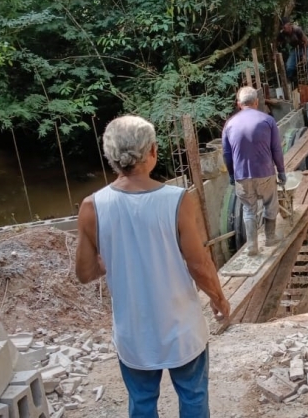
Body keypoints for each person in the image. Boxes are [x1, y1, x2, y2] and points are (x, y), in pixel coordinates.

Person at [75, 115, 230, 418]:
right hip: (182, 329)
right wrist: (219, 298)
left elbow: (85, 273)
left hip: (134, 334)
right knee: (193, 395)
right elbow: (199, 264)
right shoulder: (177, 200)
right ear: (153, 151)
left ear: (110, 156)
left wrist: (116, 259)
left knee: (142, 401)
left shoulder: (92, 206)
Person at [222, 86, 287, 256]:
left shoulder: (229, 124)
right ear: (256, 102)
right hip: (265, 173)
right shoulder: (267, 121)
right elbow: (276, 149)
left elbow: (226, 154)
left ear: (239, 104)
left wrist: (232, 175)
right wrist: (281, 171)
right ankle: (270, 237)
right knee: (270, 203)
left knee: (248, 209)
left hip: (242, 175)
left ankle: (252, 245)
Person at [277, 17, 308, 90]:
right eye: (282, 27)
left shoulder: (297, 30)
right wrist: (274, 53)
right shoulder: (283, 34)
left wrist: (304, 55)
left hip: (305, 47)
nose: (283, 29)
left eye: (284, 27)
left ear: (289, 25)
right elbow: (275, 42)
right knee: (289, 65)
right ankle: (289, 81)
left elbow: (306, 41)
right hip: (295, 49)